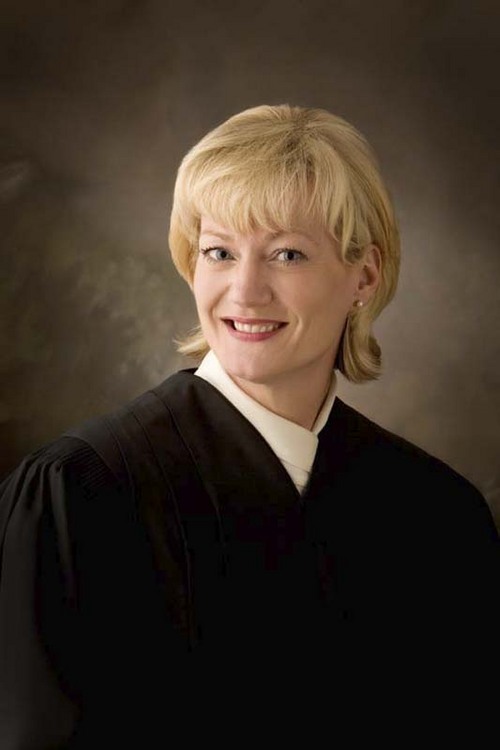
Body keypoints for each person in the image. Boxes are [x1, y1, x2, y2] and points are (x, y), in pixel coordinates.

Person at [0, 104, 498, 747]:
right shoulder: (81, 495)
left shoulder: (437, 516)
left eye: (287, 254)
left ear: (364, 276)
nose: (245, 290)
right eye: (219, 252)